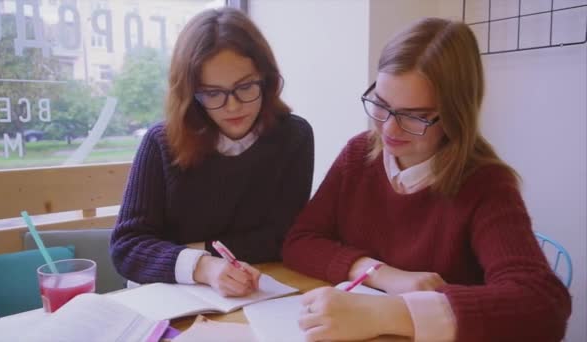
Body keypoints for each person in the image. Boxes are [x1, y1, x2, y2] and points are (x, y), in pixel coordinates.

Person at [282, 17, 570, 342]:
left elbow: (544, 306)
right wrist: (385, 276)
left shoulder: (486, 184)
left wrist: (388, 312)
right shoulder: (360, 154)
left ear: (454, 116)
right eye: (381, 104)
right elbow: (300, 241)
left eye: (415, 116)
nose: (388, 129)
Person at [110, 7, 314, 298]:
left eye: (245, 87)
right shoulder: (161, 141)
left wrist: (189, 250)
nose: (232, 106)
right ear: (190, 93)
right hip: (167, 296)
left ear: (266, 79)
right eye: (212, 92)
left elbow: (284, 237)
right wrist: (204, 267)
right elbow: (127, 248)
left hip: (258, 290)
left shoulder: (294, 136)